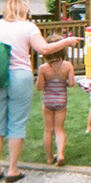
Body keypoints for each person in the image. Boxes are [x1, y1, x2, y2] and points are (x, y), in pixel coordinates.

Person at [0, 0, 80, 183]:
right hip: (20, 76)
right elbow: (44, 48)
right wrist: (66, 42)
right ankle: (13, 169)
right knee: (16, 123)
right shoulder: (28, 27)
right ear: (24, 11)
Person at [36, 33, 75, 166]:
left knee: (48, 130)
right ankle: (60, 154)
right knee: (59, 129)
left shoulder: (43, 68)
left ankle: (49, 158)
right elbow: (71, 83)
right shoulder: (68, 66)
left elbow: (39, 87)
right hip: (61, 101)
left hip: (47, 102)